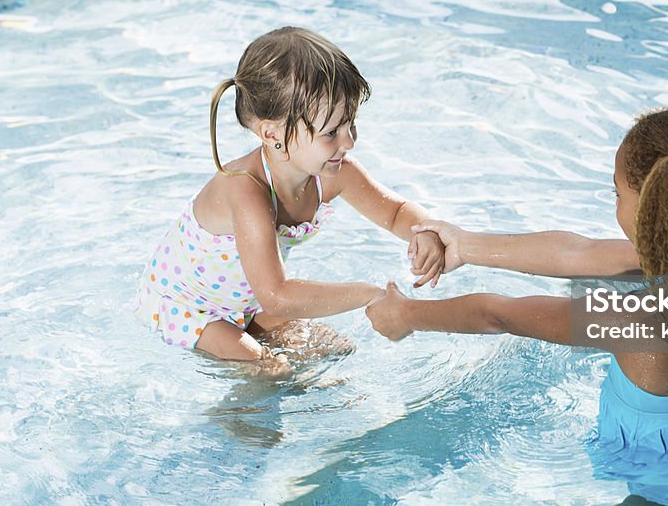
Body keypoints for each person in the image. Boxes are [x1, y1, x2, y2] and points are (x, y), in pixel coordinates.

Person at [365, 108, 668, 506]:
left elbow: (497, 313)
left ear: (659, 212)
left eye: (618, 194)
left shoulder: (639, 319)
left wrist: (407, 315)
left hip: (662, 480)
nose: (616, 205)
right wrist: (465, 244)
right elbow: (575, 252)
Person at [134, 27, 445, 366]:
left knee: (336, 350)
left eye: (350, 124)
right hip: (188, 306)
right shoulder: (246, 190)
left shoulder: (335, 172)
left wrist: (426, 230)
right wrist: (370, 293)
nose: (349, 142)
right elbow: (277, 297)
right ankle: (232, 419)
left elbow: (397, 213)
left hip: (248, 303)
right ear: (271, 133)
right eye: (331, 133)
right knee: (270, 370)